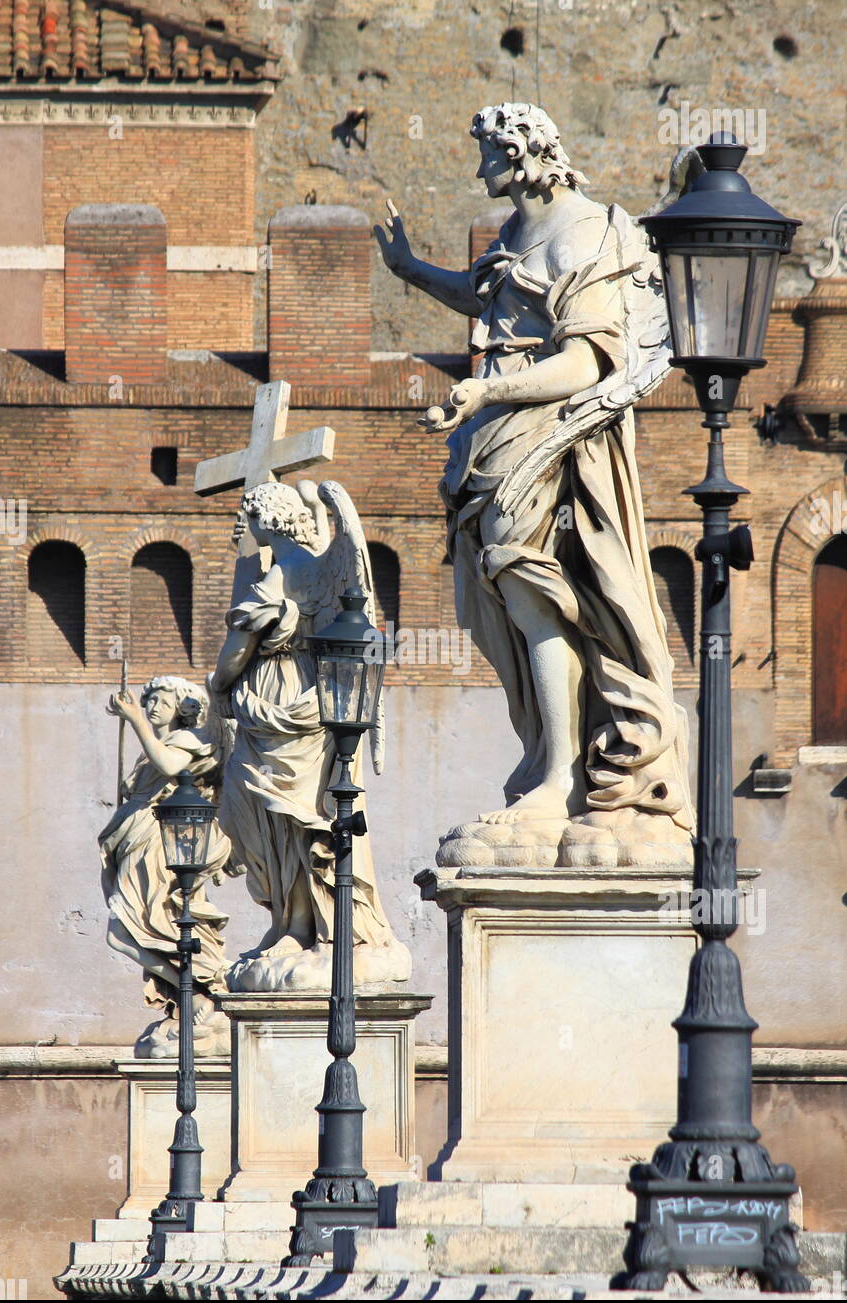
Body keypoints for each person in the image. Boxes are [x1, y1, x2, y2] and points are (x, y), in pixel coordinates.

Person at [374, 102, 693, 866]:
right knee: (508, 602)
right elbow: (495, 307)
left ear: (523, 152)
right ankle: (550, 753)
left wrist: (486, 392)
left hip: (554, 434)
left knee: (534, 588)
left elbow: (588, 361)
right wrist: (412, 270)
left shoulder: (586, 231)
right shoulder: (516, 232)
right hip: (498, 433)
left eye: (488, 150)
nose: (478, 164)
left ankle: (559, 775)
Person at [210, 479, 410, 989]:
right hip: (300, 704)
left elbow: (237, 644)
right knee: (292, 819)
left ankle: (319, 927)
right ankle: (293, 925)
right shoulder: (307, 566)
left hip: (285, 703)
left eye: (250, 517)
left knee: (297, 819)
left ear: (264, 521)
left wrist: (220, 683)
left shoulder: (281, 573)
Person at [100, 675, 232, 1055]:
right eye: (148, 700)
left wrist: (133, 720)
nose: (152, 706)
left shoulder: (186, 741)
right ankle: (188, 992)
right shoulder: (152, 747)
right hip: (135, 839)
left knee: (128, 929)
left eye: (160, 700)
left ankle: (199, 989)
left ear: (182, 707)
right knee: (126, 931)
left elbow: (172, 766)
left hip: (159, 844)